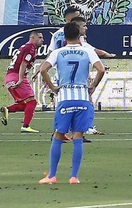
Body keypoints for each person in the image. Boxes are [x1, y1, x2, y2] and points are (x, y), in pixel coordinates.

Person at [37, 20, 106, 184]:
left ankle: (52, 176)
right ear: (79, 35)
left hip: (65, 97)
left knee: (58, 135)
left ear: (64, 36)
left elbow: (42, 69)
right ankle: (74, 177)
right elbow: (101, 69)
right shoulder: (87, 51)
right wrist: (93, 86)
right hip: (82, 97)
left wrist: (53, 86)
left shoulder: (58, 52)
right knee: (78, 136)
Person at [1, 30, 43, 133]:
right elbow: (23, 64)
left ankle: (7, 109)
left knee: (25, 104)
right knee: (32, 102)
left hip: (9, 77)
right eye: (40, 38)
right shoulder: (30, 48)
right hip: (16, 76)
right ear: (33, 38)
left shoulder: (25, 47)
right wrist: (20, 79)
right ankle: (25, 126)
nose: (42, 40)